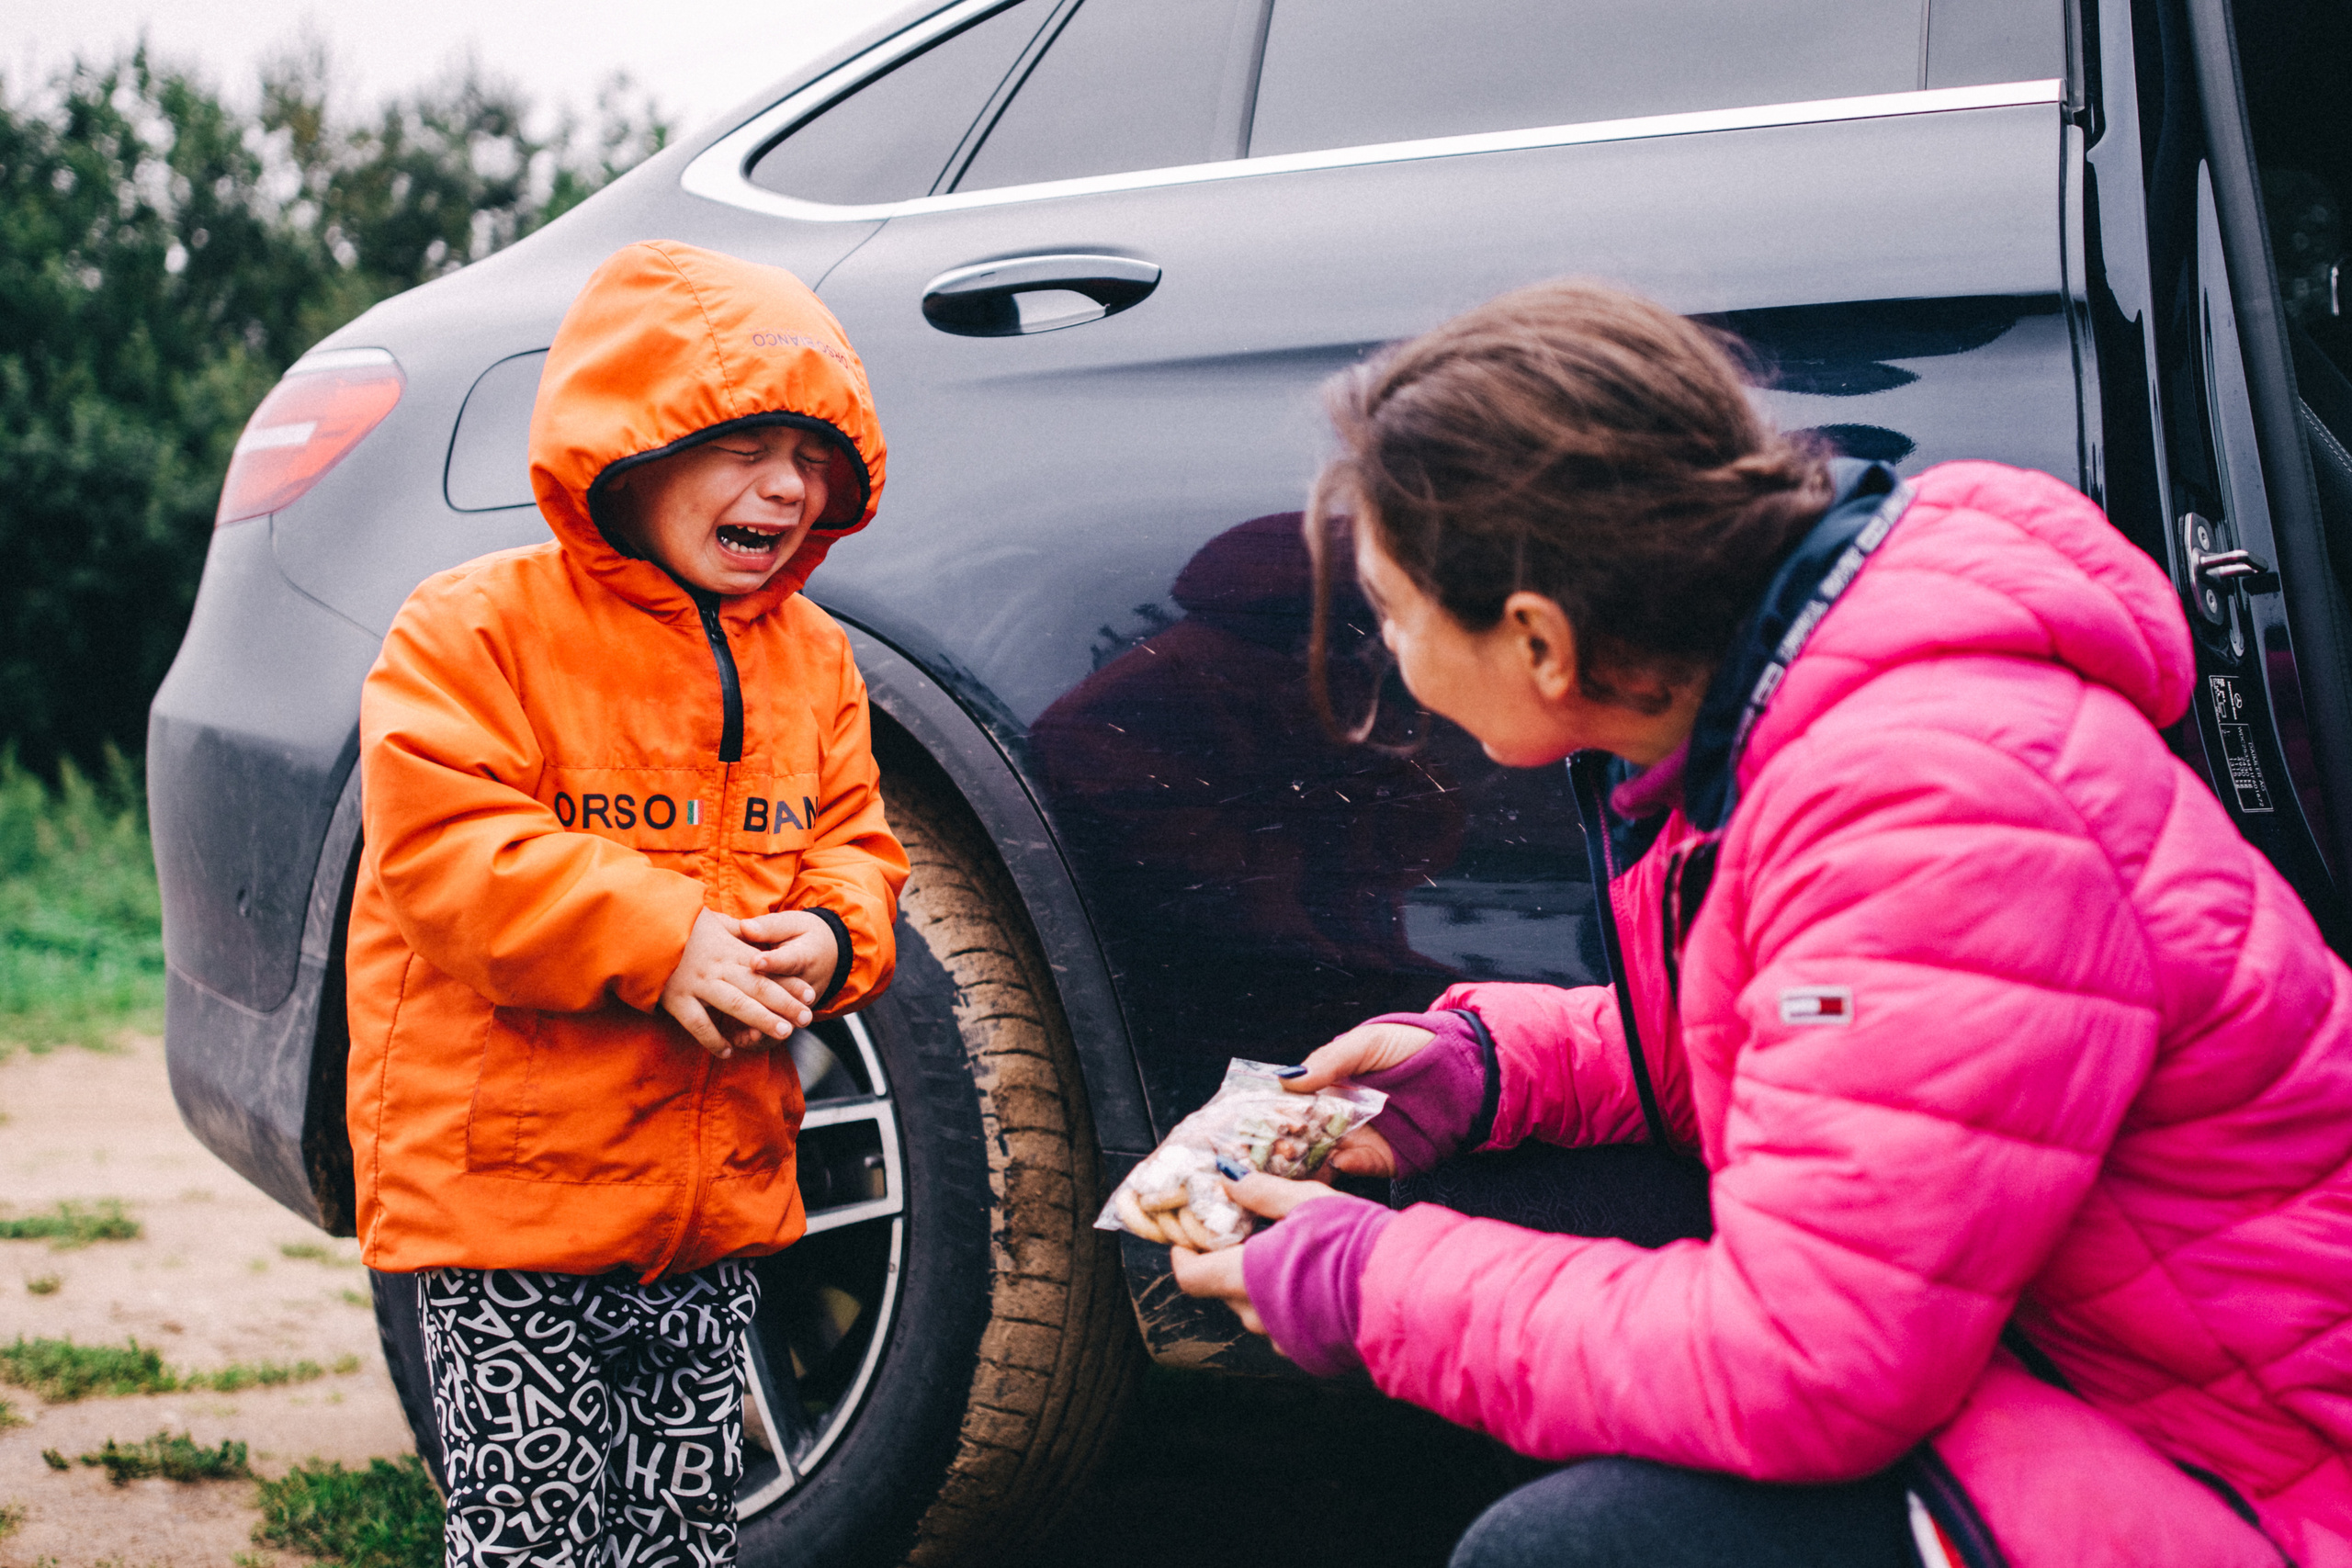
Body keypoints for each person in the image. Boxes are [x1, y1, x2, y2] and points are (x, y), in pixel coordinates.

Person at [1171, 279, 2352, 1568]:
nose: (1391, 653)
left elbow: (1816, 1366)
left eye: (1395, 612)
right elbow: (1840, 1039)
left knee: (1566, 1551)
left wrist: (1370, 1286)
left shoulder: (1930, 810)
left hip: (2254, 1474)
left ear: (1540, 641)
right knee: (1484, 1180)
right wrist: (1493, 1068)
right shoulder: (1792, 695)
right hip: (2075, 1341)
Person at [345, 240, 908, 1568]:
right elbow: (448, 850)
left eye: (813, 459)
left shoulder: (814, 662)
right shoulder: (475, 629)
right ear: (630, 447)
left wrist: (831, 937)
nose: (789, 485)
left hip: (716, 1206)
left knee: (681, 1530)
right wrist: (663, 940)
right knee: (535, 1534)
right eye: (746, 445)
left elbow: (858, 848)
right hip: (516, 1212)